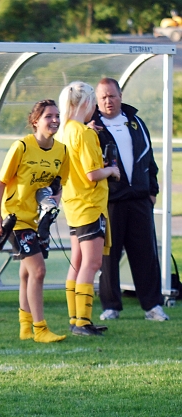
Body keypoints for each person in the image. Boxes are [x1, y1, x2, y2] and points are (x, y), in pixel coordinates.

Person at [92, 77, 169, 322]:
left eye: (111, 96)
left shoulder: (135, 122)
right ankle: (111, 306)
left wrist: (152, 191)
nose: (108, 101)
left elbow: (150, 160)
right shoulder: (91, 126)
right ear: (97, 100)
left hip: (139, 200)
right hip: (110, 201)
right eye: (103, 97)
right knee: (108, 255)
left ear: (120, 96)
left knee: (145, 254)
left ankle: (153, 306)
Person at [0, 100, 69, 343]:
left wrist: (53, 202)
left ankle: (25, 326)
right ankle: (40, 328)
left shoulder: (62, 151)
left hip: (39, 222)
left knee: (27, 273)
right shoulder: (22, 147)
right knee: (39, 270)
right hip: (16, 220)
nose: (55, 120)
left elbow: (59, 185)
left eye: (57, 115)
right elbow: (1, 183)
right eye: (49, 116)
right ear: (36, 121)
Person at [58, 81, 120, 336]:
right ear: (85, 103)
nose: (95, 108)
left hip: (73, 203)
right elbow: (92, 173)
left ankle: (76, 318)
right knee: (92, 262)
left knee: (78, 260)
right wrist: (112, 170)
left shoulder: (64, 131)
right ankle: (83, 320)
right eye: (93, 103)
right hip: (89, 204)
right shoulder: (83, 133)